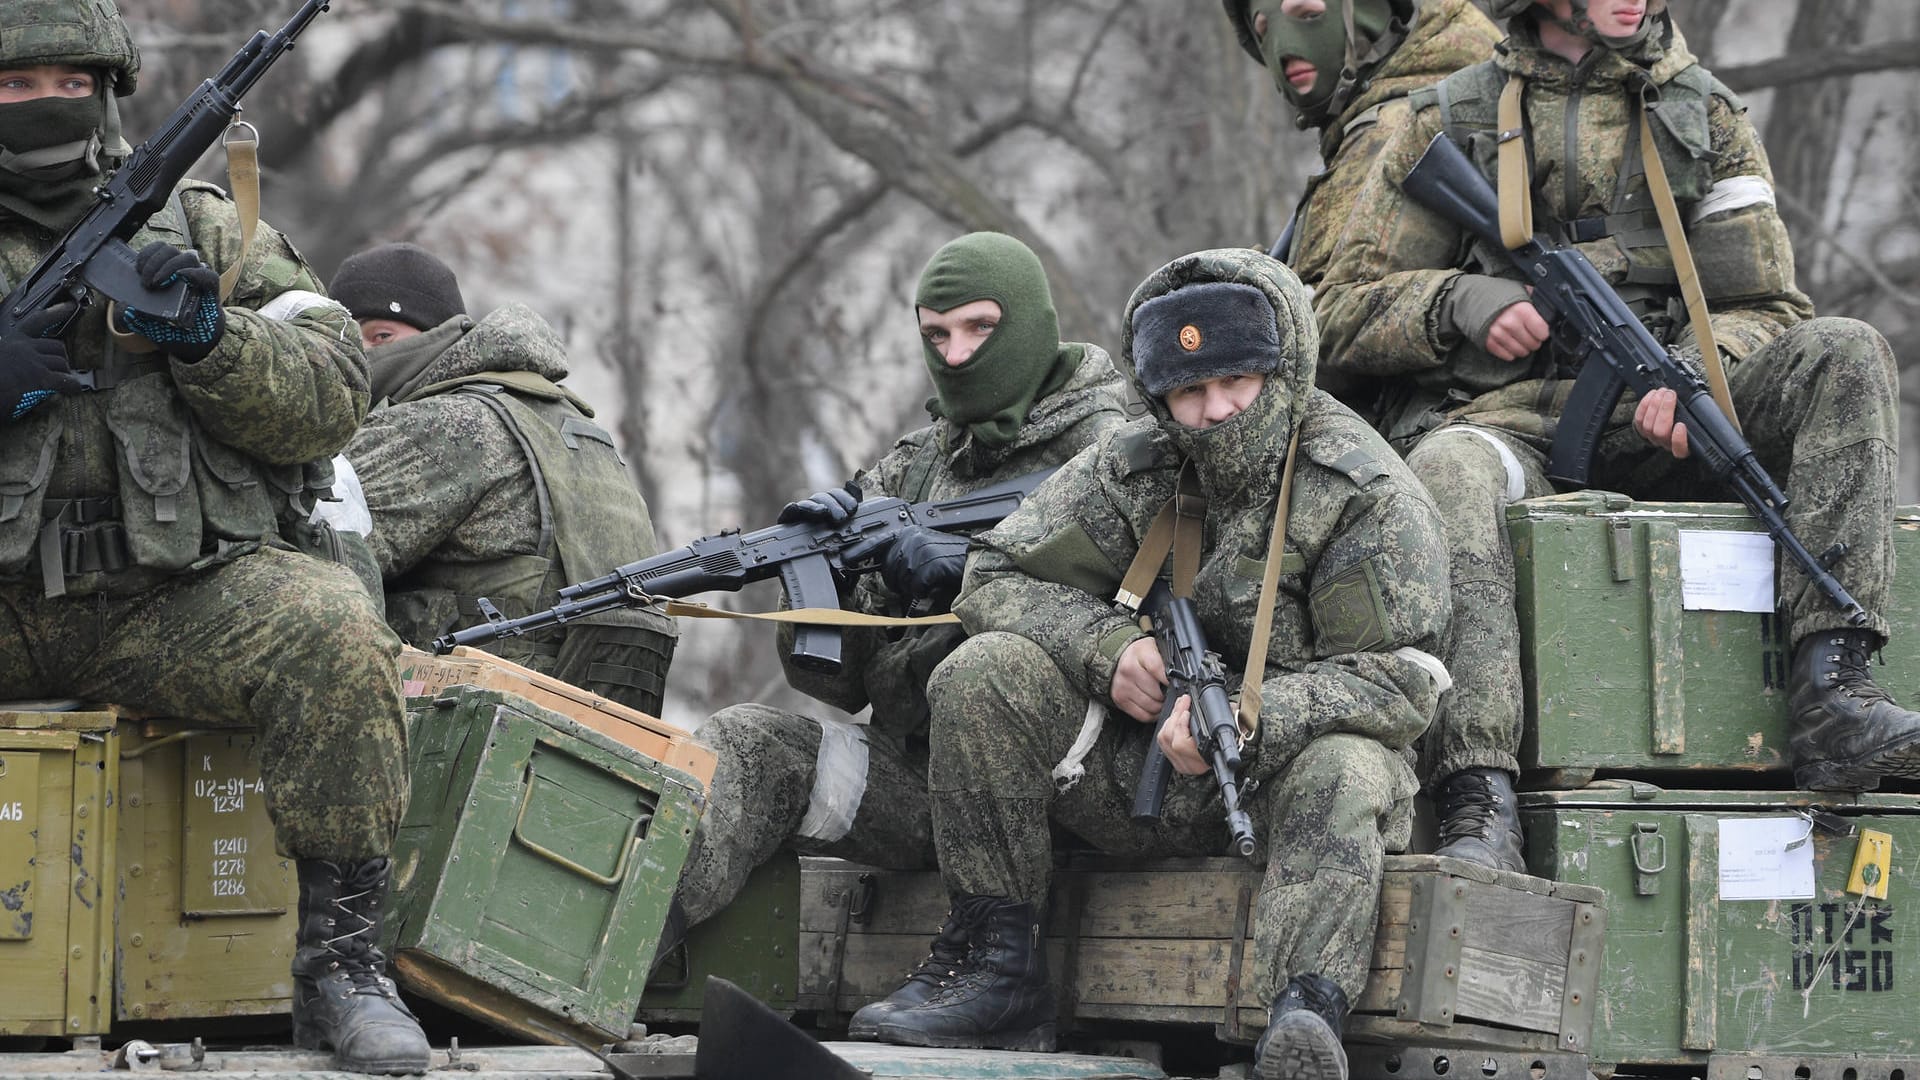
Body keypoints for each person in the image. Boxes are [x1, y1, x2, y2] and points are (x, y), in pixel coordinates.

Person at [1314, 0, 1920, 822]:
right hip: (1510, 414)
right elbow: (1334, 311)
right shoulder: (1446, 116)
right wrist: (1462, 303)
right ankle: (1476, 791)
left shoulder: (1703, 115)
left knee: (1845, 352)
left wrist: (1697, 377)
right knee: (1449, 467)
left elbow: (1770, 305)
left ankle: (1834, 692)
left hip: (1667, 400)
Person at [868, 249, 1451, 1080]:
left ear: (1279, 368)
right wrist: (1109, 653)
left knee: (1350, 769)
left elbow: (1404, 679)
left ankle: (1302, 1016)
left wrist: (1258, 717)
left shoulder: (1362, 492)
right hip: (1137, 770)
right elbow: (992, 576)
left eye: (1236, 384)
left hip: (1284, 789)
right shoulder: (1135, 461)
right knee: (984, 670)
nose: (1213, 412)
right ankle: (997, 965)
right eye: (1188, 390)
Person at [0, 2, 426, 1072]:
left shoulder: (203, 225)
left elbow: (334, 393)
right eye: (13, 87)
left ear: (105, 92)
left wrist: (209, 337)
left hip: (167, 599)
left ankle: (343, 969)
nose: (42, 107)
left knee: (331, 629)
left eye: (64, 85)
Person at [667, 232, 1132, 1033]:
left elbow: (1137, 616)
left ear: (1028, 324)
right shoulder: (917, 464)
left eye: (980, 328)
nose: (955, 355)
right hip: (925, 786)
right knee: (751, 743)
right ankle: (617, 940)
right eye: (935, 335)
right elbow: (838, 685)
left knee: (986, 668)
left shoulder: (1119, 445)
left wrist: (966, 574)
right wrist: (825, 582)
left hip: (1073, 787)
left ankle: (1000, 981)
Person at [331, 242, 677, 716]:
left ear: (439, 335)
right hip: (593, 728)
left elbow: (313, 546)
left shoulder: (444, 424)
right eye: (349, 340)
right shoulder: (571, 426)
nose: (362, 354)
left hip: (470, 718)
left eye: (381, 336)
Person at [1224, 0, 1499, 290]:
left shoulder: (1392, 130)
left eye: (1309, 16)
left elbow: (1335, 312)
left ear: (1367, 14)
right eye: (1265, 32)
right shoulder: (1357, 132)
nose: (1284, 49)